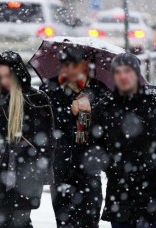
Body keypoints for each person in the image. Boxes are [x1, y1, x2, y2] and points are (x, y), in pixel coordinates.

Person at [90, 53, 156, 228]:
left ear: (137, 73)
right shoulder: (105, 106)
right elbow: (93, 142)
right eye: (118, 72)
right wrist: (109, 164)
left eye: (128, 71)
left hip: (151, 191)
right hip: (118, 191)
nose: (123, 76)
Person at [0, 51, 56, 228]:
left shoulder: (36, 100)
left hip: (26, 172)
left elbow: (48, 140)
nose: (4, 81)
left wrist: (36, 160)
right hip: (0, 171)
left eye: (8, 76)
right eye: (0, 77)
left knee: (21, 220)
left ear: (18, 75)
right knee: (4, 221)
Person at [40, 46, 109, 228]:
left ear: (85, 65)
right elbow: (45, 124)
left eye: (75, 65)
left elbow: (106, 128)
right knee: (64, 223)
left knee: (89, 221)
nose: (70, 70)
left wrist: (88, 114)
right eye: (66, 65)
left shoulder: (98, 90)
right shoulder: (50, 89)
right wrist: (67, 113)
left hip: (89, 168)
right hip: (60, 168)